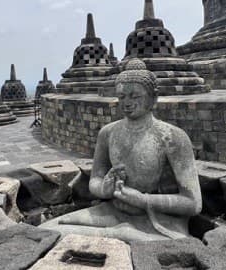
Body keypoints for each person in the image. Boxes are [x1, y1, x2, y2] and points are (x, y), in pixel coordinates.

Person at [40, 59, 201, 242]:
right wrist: (104, 189)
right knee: (48, 229)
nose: (127, 103)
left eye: (135, 96)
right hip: (114, 210)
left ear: (153, 98)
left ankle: (118, 235)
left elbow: (193, 203)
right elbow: (95, 180)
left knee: (129, 237)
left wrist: (143, 200)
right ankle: (118, 234)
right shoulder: (108, 133)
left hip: (158, 220)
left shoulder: (172, 137)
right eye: (122, 97)